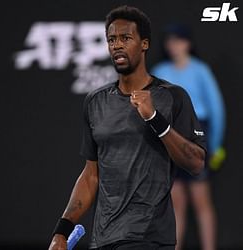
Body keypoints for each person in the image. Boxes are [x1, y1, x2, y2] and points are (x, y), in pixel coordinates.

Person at [49, 6, 206, 250]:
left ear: (144, 44)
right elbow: (91, 176)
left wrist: (155, 119)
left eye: (125, 38)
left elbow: (196, 162)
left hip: (150, 238)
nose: (117, 45)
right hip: (104, 239)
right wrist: (61, 231)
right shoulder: (95, 101)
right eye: (112, 39)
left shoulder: (172, 97)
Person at [152, 25, 225, 250]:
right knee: (176, 203)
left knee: (201, 200)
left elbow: (216, 109)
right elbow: (150, 111)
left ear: (188, 44)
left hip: (196, 135)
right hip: (170, 136)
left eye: (179, 41)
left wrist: (215, 145)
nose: (175, 46)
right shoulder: (160, 70)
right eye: (171, 42)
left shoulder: (200, 70)